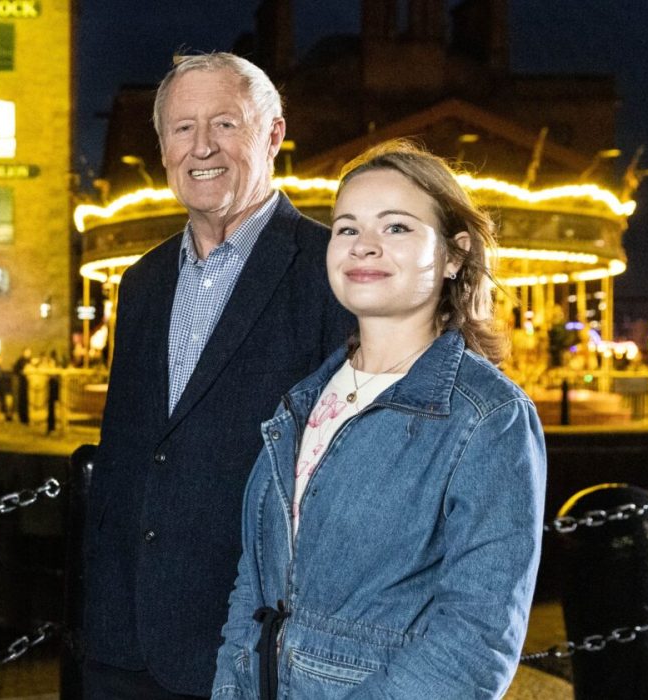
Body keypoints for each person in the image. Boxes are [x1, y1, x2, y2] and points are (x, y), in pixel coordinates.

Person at [211, 140, 546, 699]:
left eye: (396, 228)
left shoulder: (489, 418)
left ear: (455, 255)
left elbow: (474, 644)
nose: (364, 246)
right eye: (346, 228)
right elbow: (254, 588)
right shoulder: (302, 399)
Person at [83, 52, 353, 699]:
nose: (201, 147)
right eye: (182, 128)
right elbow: (130, 455)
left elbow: (349, 475)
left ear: (273, 134)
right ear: (163, 146)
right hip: (122, 644)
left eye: (225, 124)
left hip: (252, 645)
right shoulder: (141, 282)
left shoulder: (332, 270)